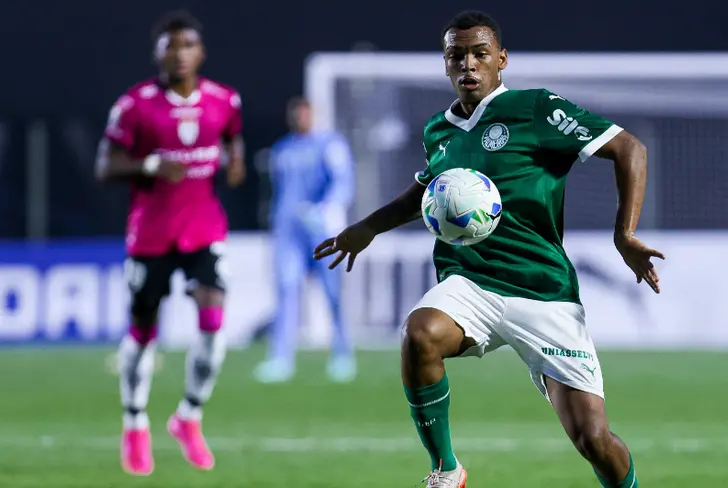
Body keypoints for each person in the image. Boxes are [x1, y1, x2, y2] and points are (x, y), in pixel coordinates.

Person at [314, 10, 664, 488]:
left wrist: (624, 234)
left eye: (480, 53)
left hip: (542, 290)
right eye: (456, 55)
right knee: (420, 333)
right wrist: (368, 228)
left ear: (501, 59)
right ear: (445, 64)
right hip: (470, 283)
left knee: (593, 438)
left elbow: (629, 149)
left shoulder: (534, 108)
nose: (468, 64)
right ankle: (446, 470)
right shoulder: (438, 131)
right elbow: (428, 193)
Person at [95, 10, 245, 476]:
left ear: (201, 52)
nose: (180, 54)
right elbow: (105, 166)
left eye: (187, 45)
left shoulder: (224, 100)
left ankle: (188, 417)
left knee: (213, 319)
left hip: (203, 229)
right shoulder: (135, 105)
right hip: (151, 234)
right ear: (157, 54)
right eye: (171, 46)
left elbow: (233, 138)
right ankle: (135, 424)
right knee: (143, 331)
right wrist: (148, 165)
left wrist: (236, 162)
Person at [254, 97, 356, 383]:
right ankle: (280, 357)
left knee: (332, 293)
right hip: (289, 232)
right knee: (286, 290)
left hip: (322, 231)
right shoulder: (283, 149)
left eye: (304, 114)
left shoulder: (330, 144)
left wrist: (325, 210)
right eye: (295, 115)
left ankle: (342, 353)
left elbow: (343, 183)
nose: (300, 119)